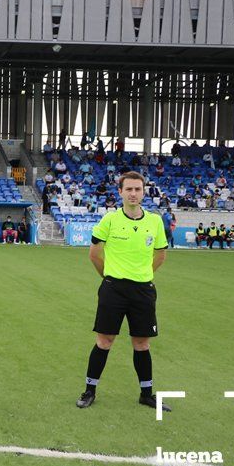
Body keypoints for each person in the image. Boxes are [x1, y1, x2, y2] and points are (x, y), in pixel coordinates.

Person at [77, 171, 170, 412]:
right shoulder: (109, 220)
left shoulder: (155, 221)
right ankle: (89, 390)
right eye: (128, 189)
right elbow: (94, 255)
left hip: (143, 291)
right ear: (120, 192)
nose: (133, 193)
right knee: (104, 340)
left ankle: (147, 394)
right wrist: (109, 278)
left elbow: (160, 255)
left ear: (143, 192)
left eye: (137, 189)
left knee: (142, 343)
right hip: (113, 290)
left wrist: (142, 275)